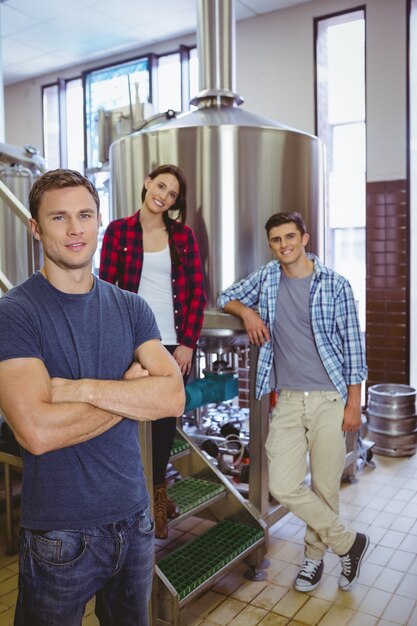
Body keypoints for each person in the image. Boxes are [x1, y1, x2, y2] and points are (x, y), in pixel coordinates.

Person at [0, 169, 185, 626]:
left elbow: (173, 397)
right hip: (59, 534)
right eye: (59, 218)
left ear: (99, 221)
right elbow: (37, 432)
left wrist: (78, 390)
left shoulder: (131, 307)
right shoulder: (15, 314)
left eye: (85, 215)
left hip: (135, 519)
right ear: (36, 228)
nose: (75, 228)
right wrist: (131, 392)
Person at [217, 211, 369, 593]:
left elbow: (353, 346)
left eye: (289, 237)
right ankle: (349, 542)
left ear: (305, 237)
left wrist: (355, 402)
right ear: (271, 245)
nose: (283, 245)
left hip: (329, 398)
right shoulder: (268, 277)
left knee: (325, 487)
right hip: (286, 399)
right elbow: (224, 297)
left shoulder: (334, 284)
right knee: (283, 484)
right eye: (276, 240)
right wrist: (246, 312)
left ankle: (314, 560)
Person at [99, 163, 206, 539]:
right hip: (136, 341)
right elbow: (107, 288)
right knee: (130, 424)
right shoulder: (118, 231)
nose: (163, 196)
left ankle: (157, 496)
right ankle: (138, 495)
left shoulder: (182, 236)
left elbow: (196, 292)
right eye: (160, 186)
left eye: (172, 193)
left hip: (174, 343)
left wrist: (189, 342)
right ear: (146, 183)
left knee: (165, 423)